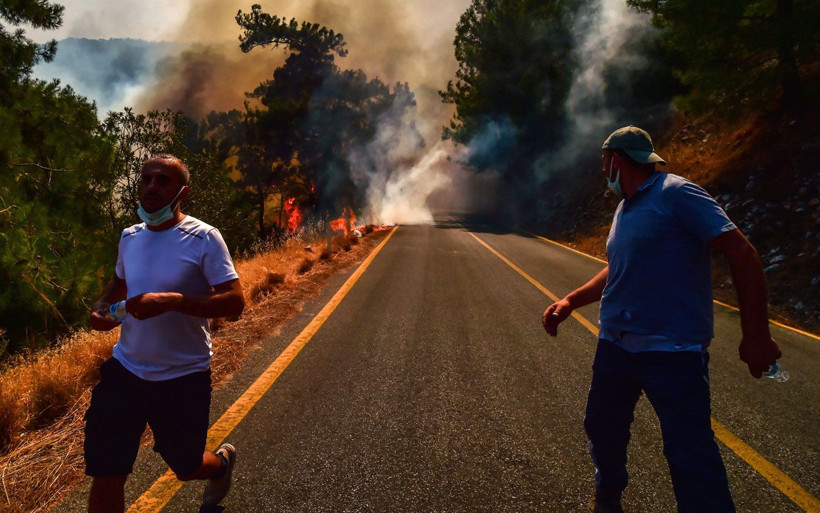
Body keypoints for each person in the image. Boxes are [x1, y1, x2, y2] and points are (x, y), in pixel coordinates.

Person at [542, 126, 782, 513]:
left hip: (672, 353)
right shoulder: (626, 207)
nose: (603, 172)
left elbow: (742, 253)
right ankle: (608, 496)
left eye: (604, 163)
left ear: (616, 160)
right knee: (602, 427)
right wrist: (571, 301)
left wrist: (756, 335)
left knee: (691, 456)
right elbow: (619, 267)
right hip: (616, 347)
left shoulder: (676, 193)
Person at [85, 154, 245, 512]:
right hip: (126, 371)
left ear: (182, 192)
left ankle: (220, 464)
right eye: (146, 179)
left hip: (182, 376)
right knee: (107, 472)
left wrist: (173, 301)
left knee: (185, 466)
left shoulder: (204, 238)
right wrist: (101, 308)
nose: (152, 187)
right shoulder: (129, 237)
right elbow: (119, 283)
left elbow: (235, 302)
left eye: (163, 180)